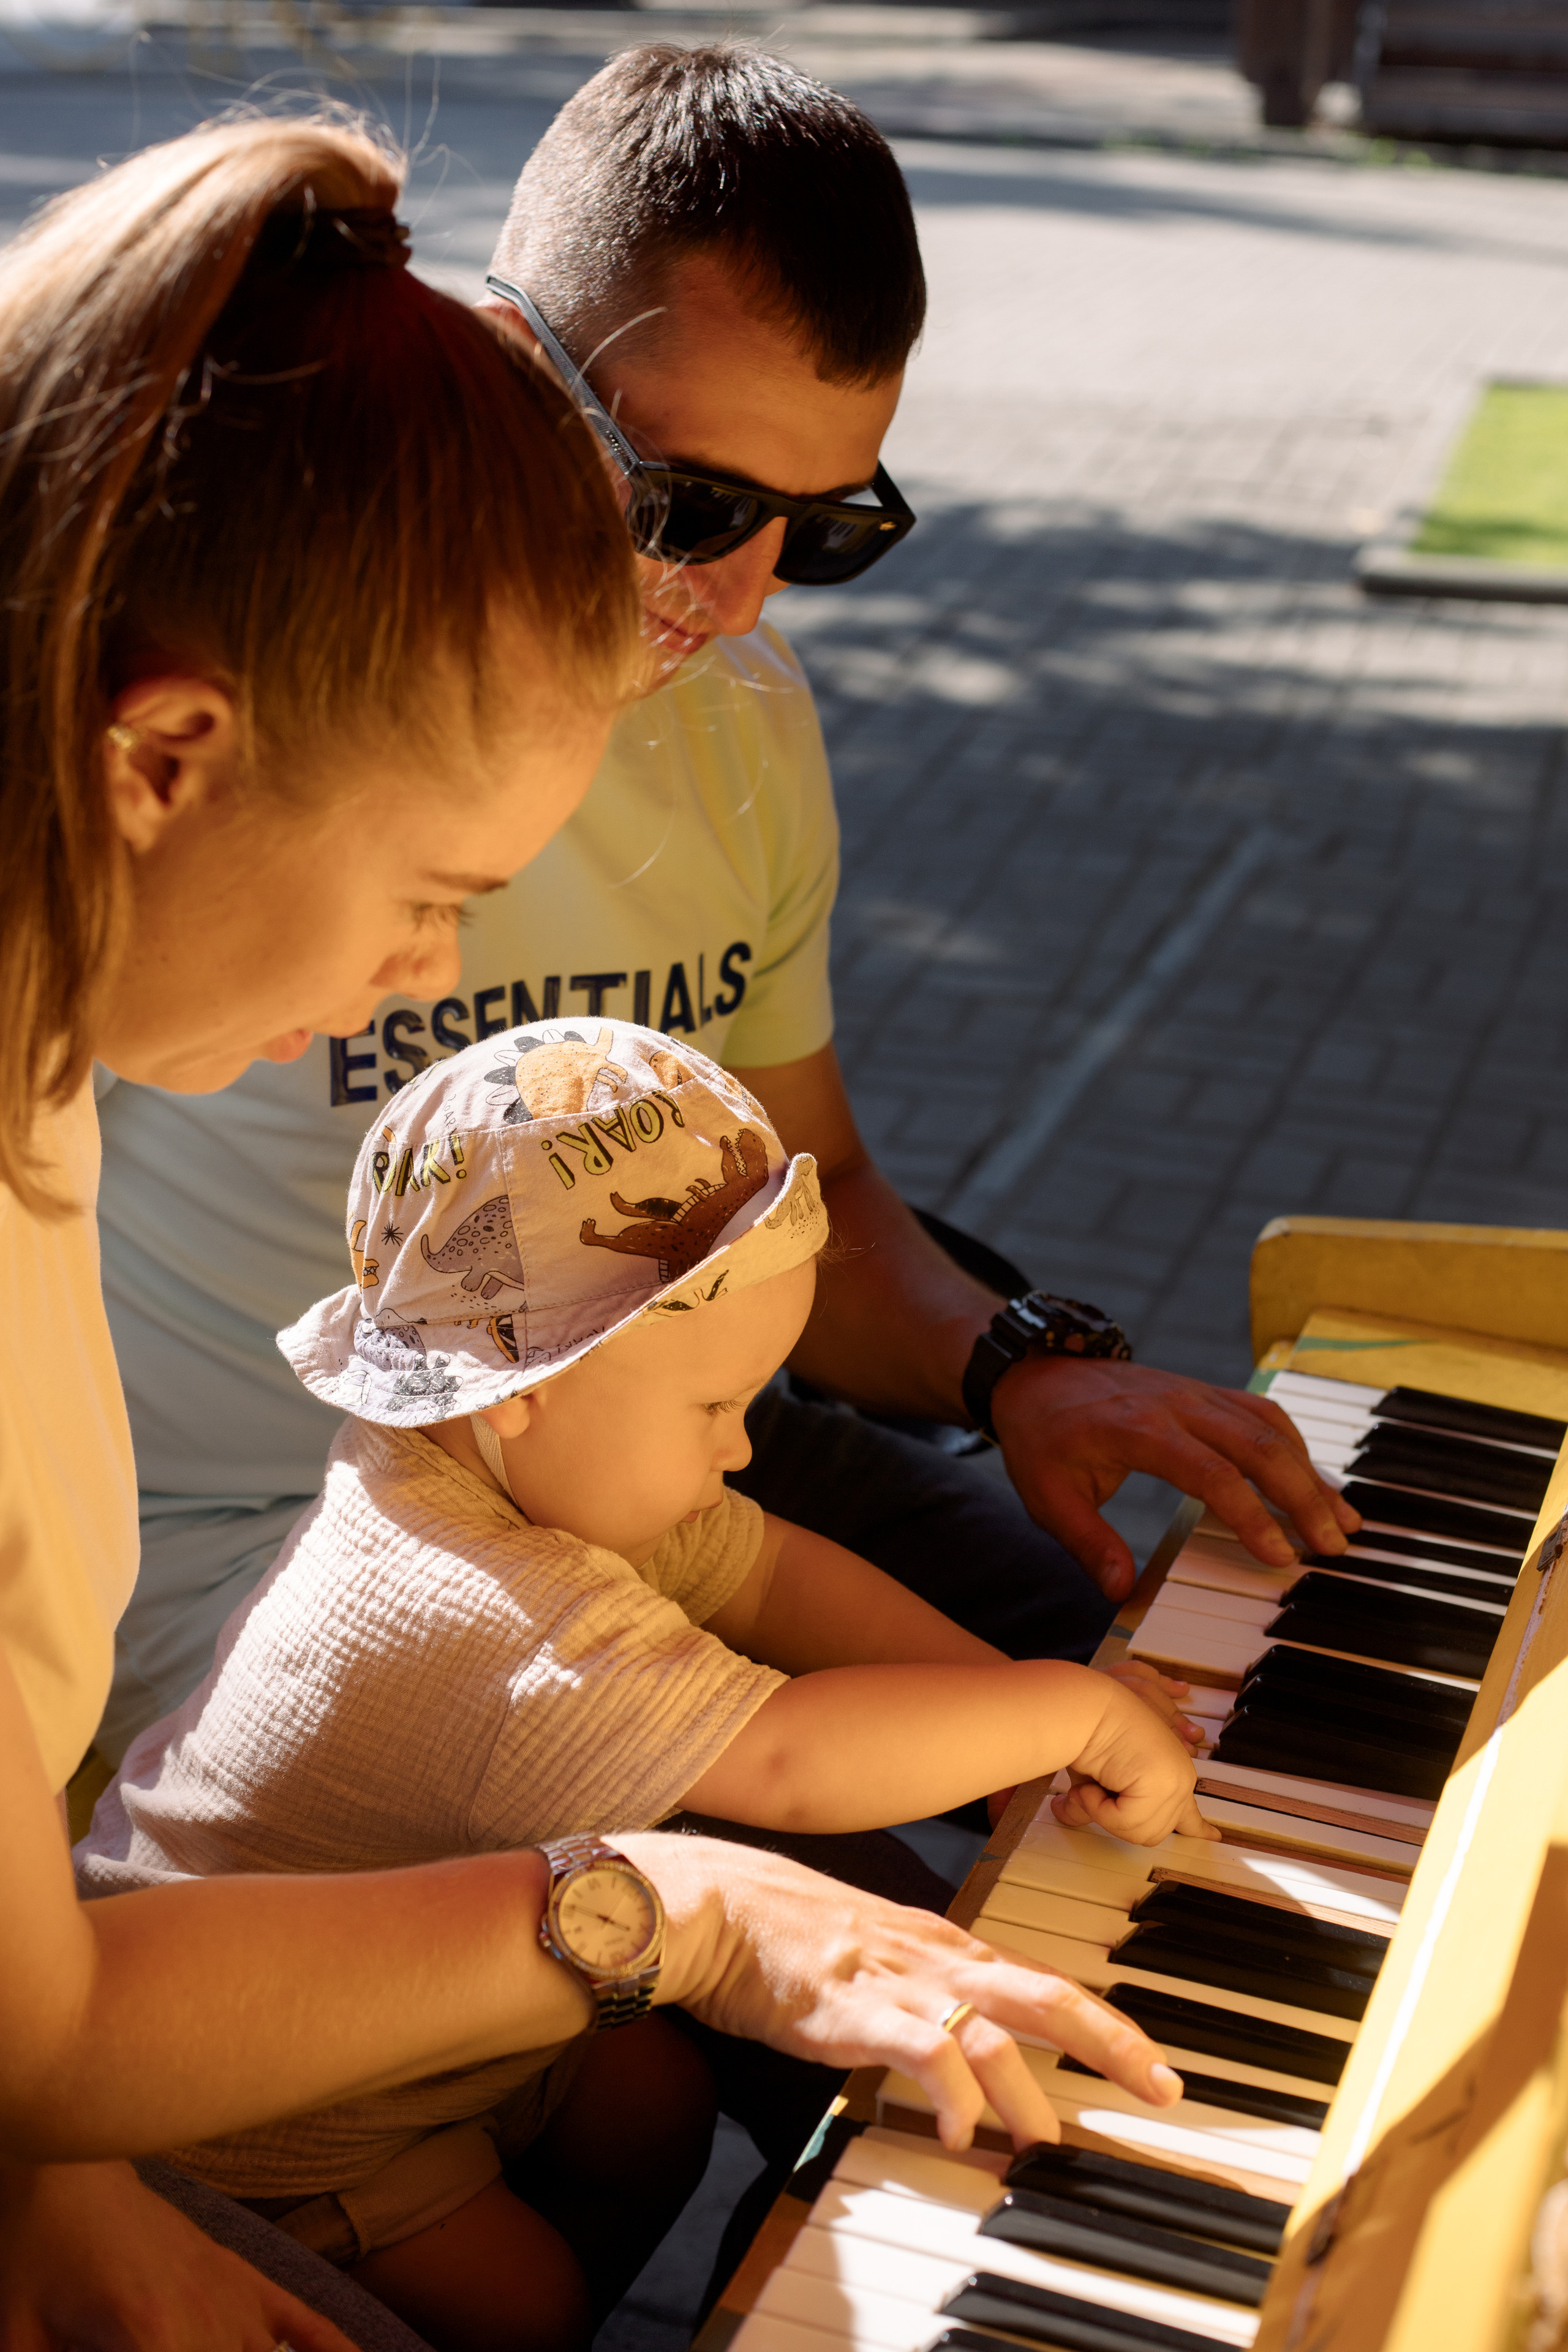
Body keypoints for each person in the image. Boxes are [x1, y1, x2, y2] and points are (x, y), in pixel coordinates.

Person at [0, 113, 1186, 2351]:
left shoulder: (52, 1058)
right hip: (382, 1568)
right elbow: (47, 2017)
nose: (428, 985)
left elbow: (809, 1233)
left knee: (1096, 1658)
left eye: (809, 532)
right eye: (431, 897)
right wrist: (649, 1904)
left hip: (582, 1438)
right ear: (165, 759)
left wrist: (1026, 1367)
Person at [94, 43, 1359, 1784]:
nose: (743, 596)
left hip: (677, 1467)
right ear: (504, 351)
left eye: (823, 530)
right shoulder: (269, 723)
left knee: (1221, 1728)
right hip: (280, 1541)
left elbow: (807, 1187)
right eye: (691, 505)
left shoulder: (741, 713)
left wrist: (1016, 1368)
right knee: (849, 1905)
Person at [78, 1019, 1205, 2348]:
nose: (741, 1448)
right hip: (274, 2112)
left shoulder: (499, 1465)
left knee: (654, 2100)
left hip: (436, 2002)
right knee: (523, 2299)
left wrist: (1004, 1709)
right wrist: (1065, 1709)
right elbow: (787, 1759)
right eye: (713, 1407)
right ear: (517, 1389)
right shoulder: (479, 1602)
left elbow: (776, 1580)